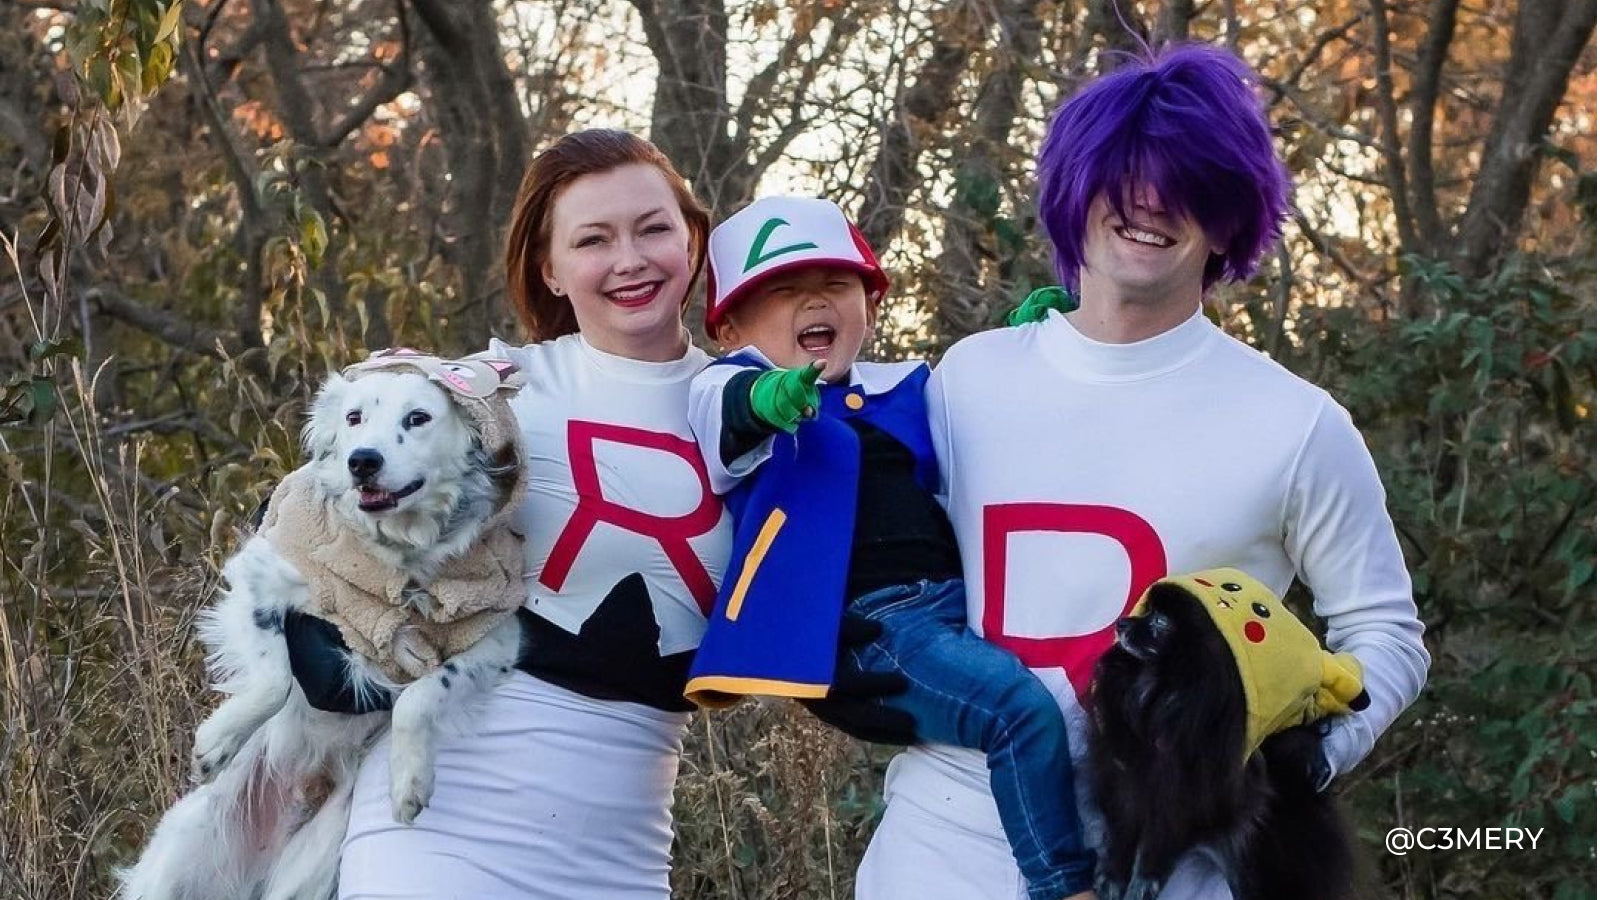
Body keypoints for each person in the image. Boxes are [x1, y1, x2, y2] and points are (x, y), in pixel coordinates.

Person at [853, 44, 1432, 899]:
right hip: (942, 844)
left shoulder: (1297, 423)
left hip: (1169, 862)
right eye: (1122, 174)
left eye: (1189, 183)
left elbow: (1385, 632)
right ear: (1073, 188)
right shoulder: (968, 378)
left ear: (1231, 219)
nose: (1149, 203)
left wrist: (1307, 751)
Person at [283, 128, 728, 899]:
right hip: (439, 825)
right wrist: (325, 650)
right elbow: (311, 507)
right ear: (549, 269)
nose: (631, 260)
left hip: (624, 847)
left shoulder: (748, 409)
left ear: (692, 239)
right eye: (594, 239)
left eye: (653, 228)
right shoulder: (487, 394)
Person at [681, 196, 1096, 900]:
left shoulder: (910, 385)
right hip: (876, 624)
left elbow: (987, 411)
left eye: (837, 285)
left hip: (966, 597)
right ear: (729, 327)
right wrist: (771, 399)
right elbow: (730, 413)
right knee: (1017, 712)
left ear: (870, 303)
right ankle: (1066, 889)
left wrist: (1029, 352)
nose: (814, 299)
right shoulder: (725, 387)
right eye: (782, 291)